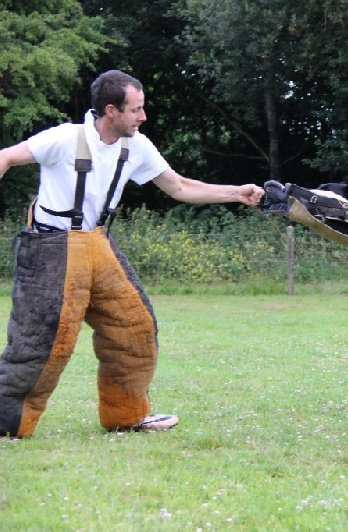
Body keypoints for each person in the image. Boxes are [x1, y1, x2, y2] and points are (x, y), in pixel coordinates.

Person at [0, 70, 264, 438]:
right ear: (111, 110)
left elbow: (180, 187)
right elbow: (6, 157)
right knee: (43, 343)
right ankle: (7, 423)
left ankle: (125, 415)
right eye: (136, 110)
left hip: (98, 242)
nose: (143, 117)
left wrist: (237, 193)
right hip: (50, 248)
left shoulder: (136, 145)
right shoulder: (63, 138)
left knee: (134, 327)